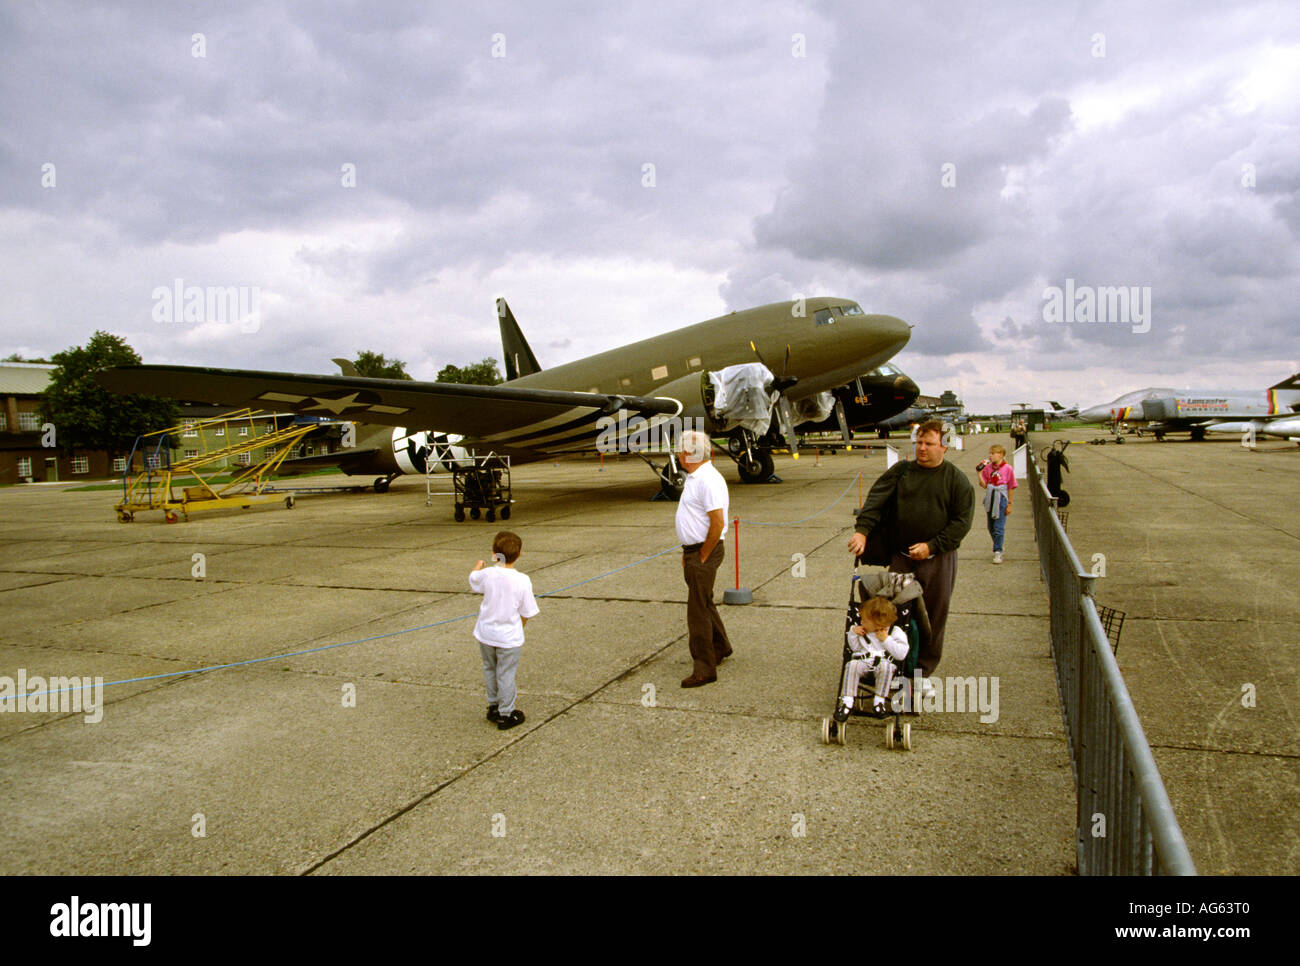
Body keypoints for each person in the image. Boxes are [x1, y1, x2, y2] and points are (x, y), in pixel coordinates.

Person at [846, 420, 973, 688]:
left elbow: (961, 523)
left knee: (933, 617)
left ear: (944, 447)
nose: (922, 448)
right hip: (902, 558)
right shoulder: (901, 472)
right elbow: (875, 502)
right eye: (918, 443)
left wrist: (933, 546)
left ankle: (921, 672)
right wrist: (862, 531)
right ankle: (889, 663)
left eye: (929, 444)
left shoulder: (957, 481)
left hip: (938, 560)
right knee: (893, 613)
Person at [674, 429, 732, 687]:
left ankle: (704, 667)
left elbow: (717, 524)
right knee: (704, 602)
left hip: (704, 550)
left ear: (689, 454)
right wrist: (688, 552)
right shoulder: (695, 477)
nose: (677, 454)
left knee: (697, 611)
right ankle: (721, 646)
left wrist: (702, 555)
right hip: (695, 550)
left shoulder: (707, 479)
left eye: (680, 450)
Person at [468, 531, 539, 730]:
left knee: (490, 669)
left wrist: (478, 566)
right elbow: (527, 611)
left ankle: (493, 706)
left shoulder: (487, 574)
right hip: (508, 638)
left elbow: (473, 580)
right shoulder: (522, 580)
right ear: (520, 554)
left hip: (485, 634)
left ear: (494, 554)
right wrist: (520, 627)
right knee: (505, 674)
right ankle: (506, 713)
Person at [834, 595, 910, 720]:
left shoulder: (895, 633)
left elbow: (901, 654)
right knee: (852, 665)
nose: (861, 622)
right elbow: (855, 648)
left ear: (877, 623)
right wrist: (853, 633)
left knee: (886, 667)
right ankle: (847, 702)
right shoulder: (862, 630)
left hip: (884, 664)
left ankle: (879, 702)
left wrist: (886, 640)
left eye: (864, 620)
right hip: (863, 662)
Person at [977, 444, 1017, 564]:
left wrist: (1010, 504)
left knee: (999, 527)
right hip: (991, 497)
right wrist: (979, 473)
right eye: (990, 453)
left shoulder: (1008, 469)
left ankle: (998, 551)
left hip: (1001, 498)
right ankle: (998, 544)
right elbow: (984, 485)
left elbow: (1011, 487)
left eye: (993, 453)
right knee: (991, 526)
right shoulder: (988, 468)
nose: (990, 456)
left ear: (1001, 455)